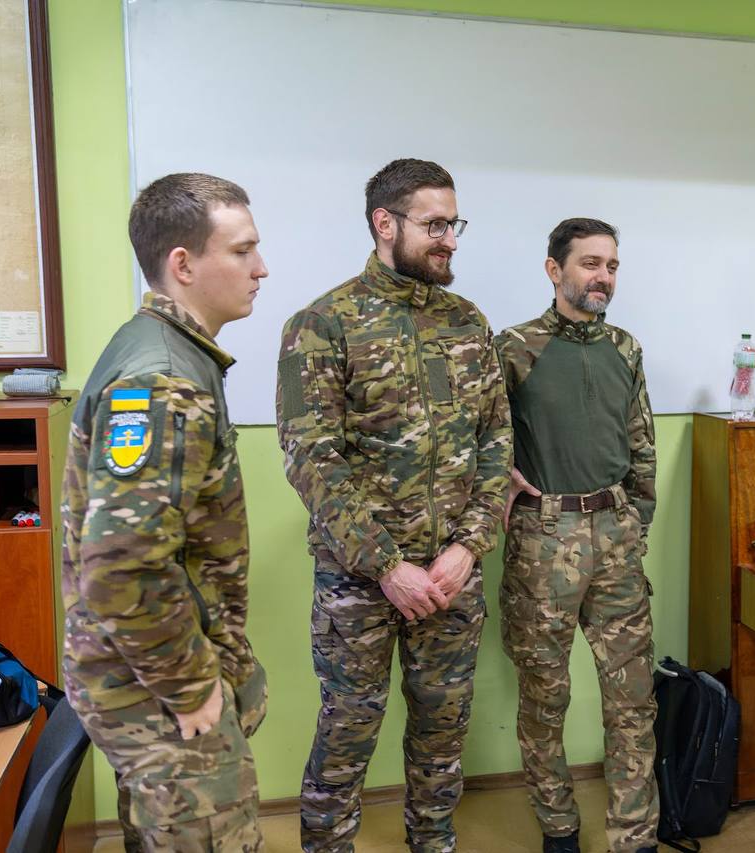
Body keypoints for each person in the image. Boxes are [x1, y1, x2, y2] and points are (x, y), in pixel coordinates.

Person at [276, 158, 512, 853]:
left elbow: (497, 440)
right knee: (347, 732)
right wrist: (386, 565)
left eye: (454, 224)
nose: (450, 240)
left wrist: (468, 547)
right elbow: (312, 460)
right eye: (435, 225)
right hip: (360, 581)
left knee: (443, 734)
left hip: (450, 577)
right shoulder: (322, 324)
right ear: (386, 223)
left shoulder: (468, 323)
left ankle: (433, 843)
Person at [61, 172, 270, 850]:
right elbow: (122, 565)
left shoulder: (168, 351)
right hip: (153, 680)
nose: (261, 268)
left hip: (143, 666)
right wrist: (189, 686)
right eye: (242, 250)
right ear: (183, 264)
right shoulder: (164, 379)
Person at [495, 218, 659, 853]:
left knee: (632, 698)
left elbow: (642, 444)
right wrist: (500, 478)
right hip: (544, 537)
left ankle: (634, 835)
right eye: (590, 264)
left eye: (611, 266)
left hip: (616, 532)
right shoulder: (515, 348)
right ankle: (559, 828)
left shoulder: (625, 348)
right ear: (554, 269)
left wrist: (636, 523)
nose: (603, 277)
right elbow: (483, 437)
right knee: (545, 695)